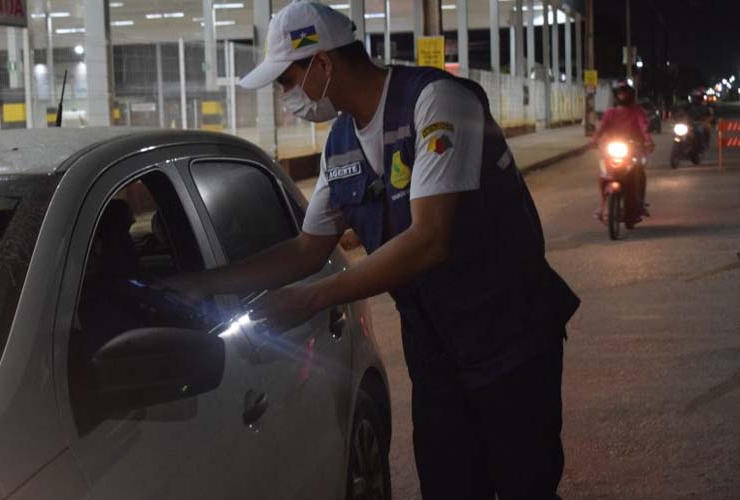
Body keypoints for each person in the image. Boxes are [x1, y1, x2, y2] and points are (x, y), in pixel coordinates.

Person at [168, 1, 580, 498]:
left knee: (524, 485)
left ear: (322, 63)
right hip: (437, 353)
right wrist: (203, 284)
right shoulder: (341, 143)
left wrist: (308, 299)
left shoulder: (436, 102)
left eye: (287, 81)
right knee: (449, 486)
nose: (285, 96)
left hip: (509, 339)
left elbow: (429, 240)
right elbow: (307, 248)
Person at [592, 80, 653, 223]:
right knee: (603, 175)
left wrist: (648, 141)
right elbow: (602, 128)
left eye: (625, 93)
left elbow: (644, 127)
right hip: (612, 149)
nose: (622, 95)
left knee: (639, 172)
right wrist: (594, 140)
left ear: (630, 94)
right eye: (620, 93)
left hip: (634, 150)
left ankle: (639, 203)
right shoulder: (610, 113)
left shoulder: (637, 111)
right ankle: (602, 206)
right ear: (616, 95)